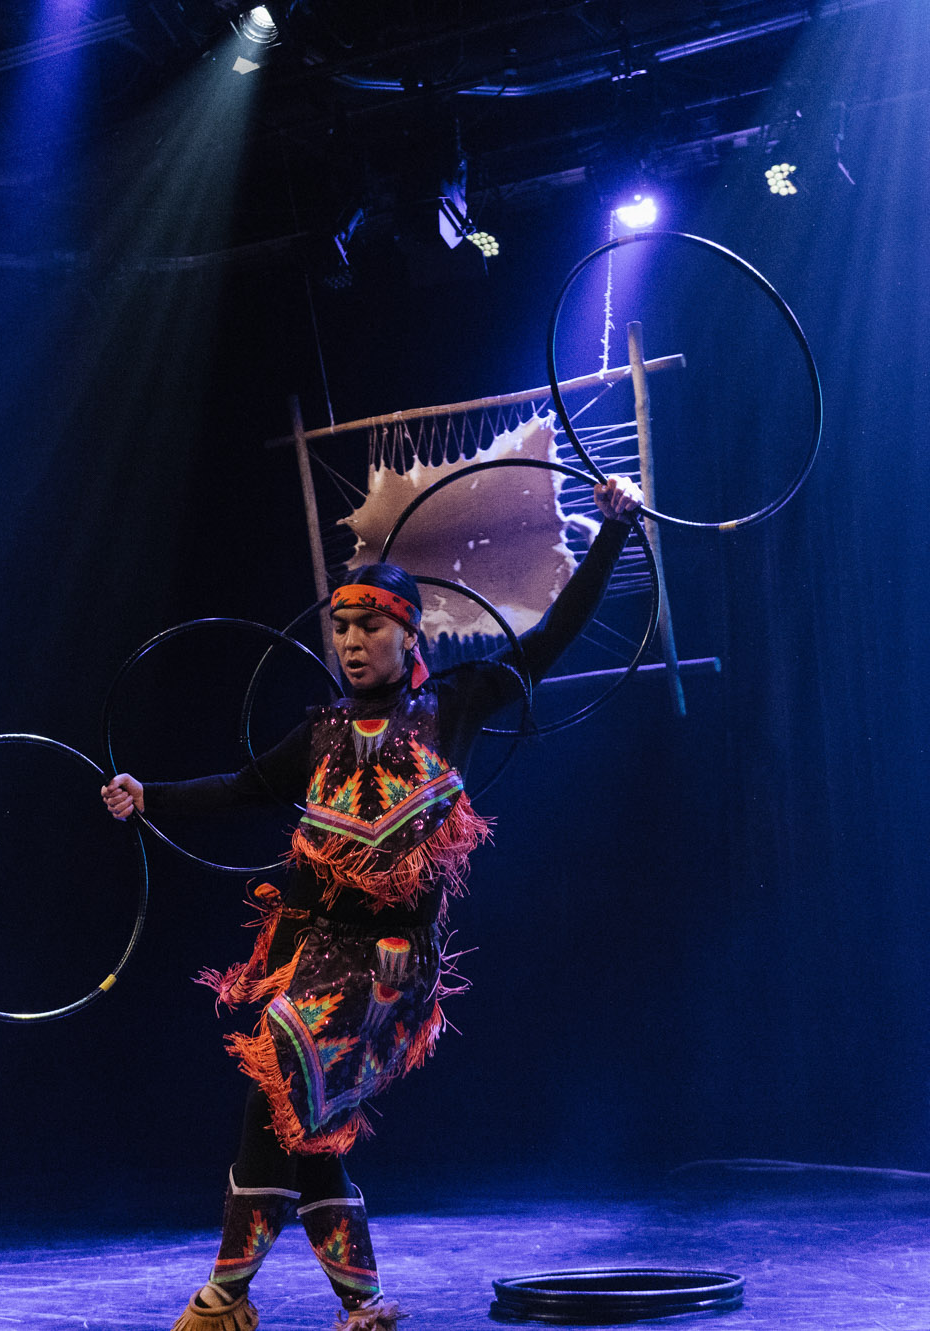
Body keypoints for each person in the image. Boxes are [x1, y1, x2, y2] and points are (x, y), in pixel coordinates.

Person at [103, 477, 644, 1331]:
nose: (353, 642)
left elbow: (551, 638)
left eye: (371, 626)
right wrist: (149, 797)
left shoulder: (454, 704)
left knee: (280, 1087)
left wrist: (613, 532)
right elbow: (244, 785)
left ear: (409, 631)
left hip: (390, 967)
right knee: (309, 1123)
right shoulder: (320, 731)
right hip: (315, 951)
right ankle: (362, 1306)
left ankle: (224, 1298)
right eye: (343, 628)